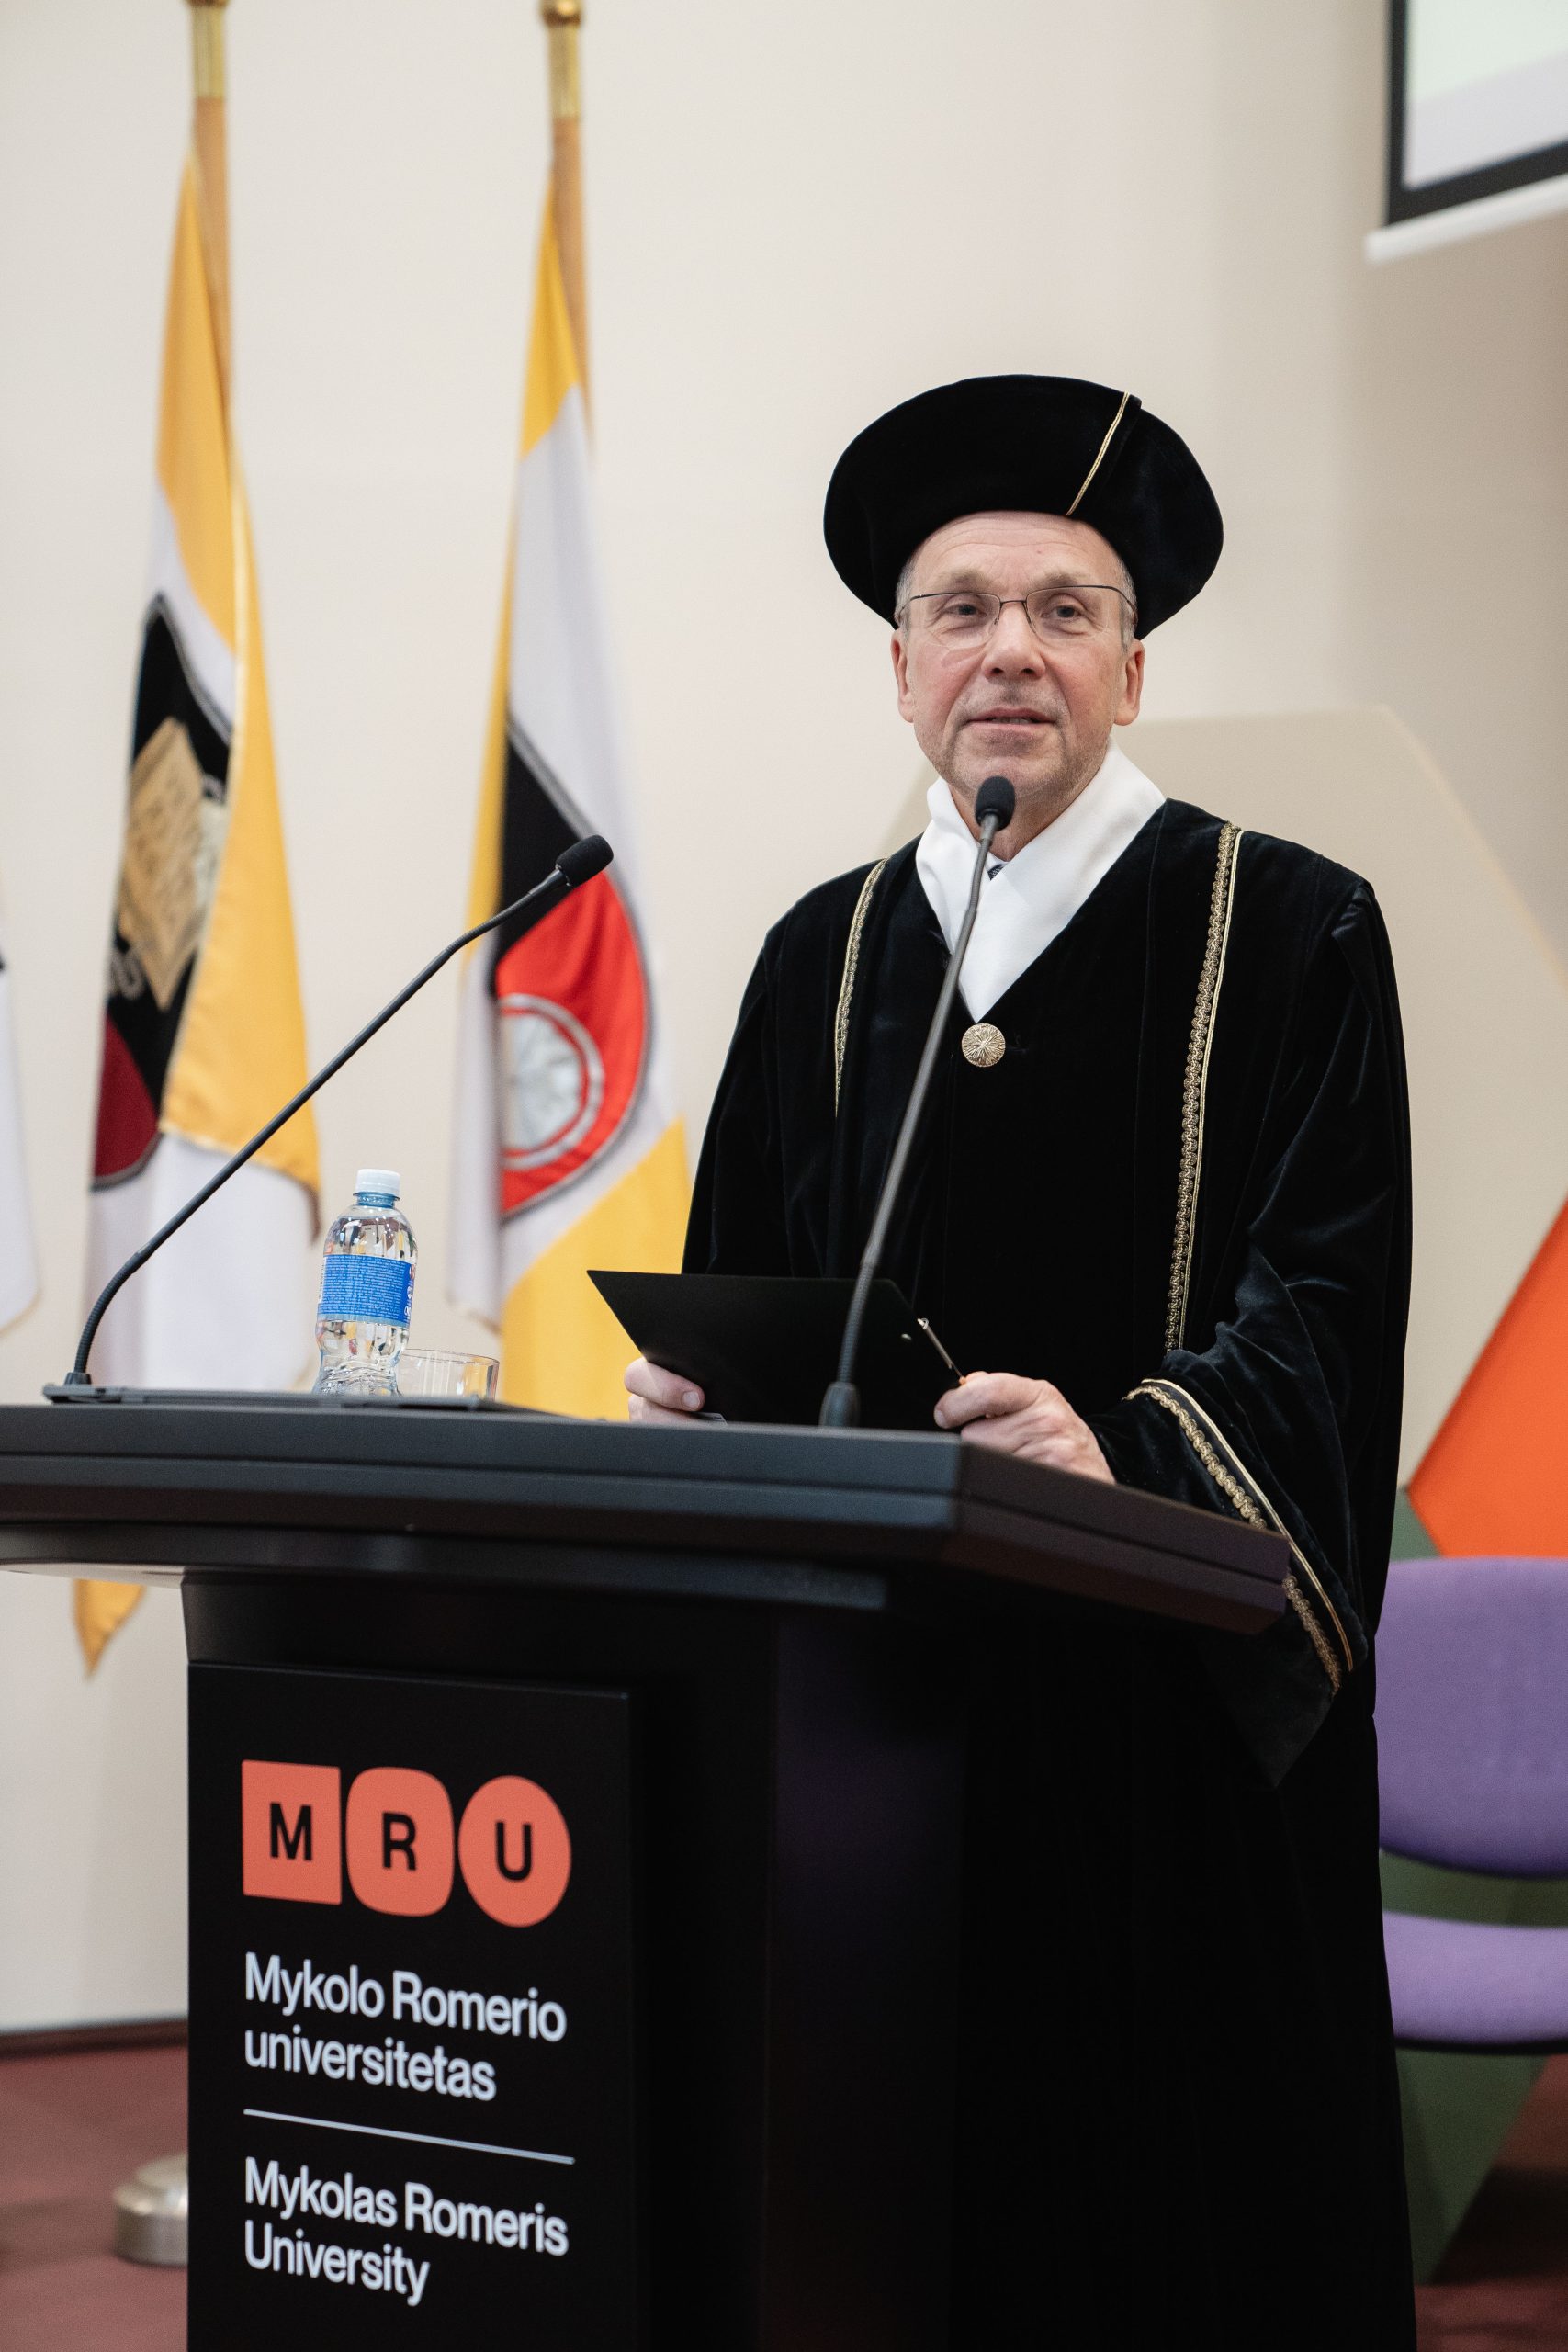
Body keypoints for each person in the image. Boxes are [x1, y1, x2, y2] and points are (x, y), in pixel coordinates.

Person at [626, 375, 1416, 2347]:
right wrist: (700, 1396)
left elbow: (1323, 1307)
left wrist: (1123, 1443)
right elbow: (746, 1280)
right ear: (899, 668)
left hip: (1158, 1729)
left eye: (1066, 612)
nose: (1010, 652)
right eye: (963, 610)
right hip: (870, 1713)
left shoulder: (1286, 928)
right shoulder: (817, 956)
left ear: (1132, 672)